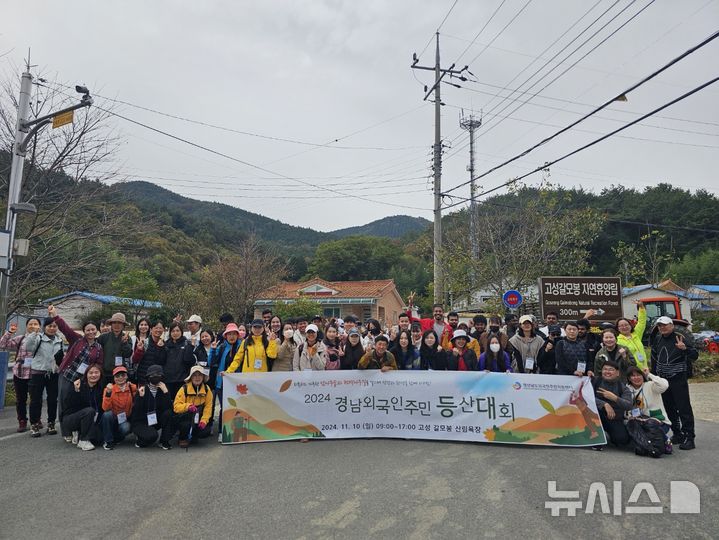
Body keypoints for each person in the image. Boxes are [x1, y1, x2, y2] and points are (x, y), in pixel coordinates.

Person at [651, 316, 698, 450]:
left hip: (678, 378)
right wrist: (654, 377)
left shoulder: (680, 337)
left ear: (671, 325)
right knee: (669, 408)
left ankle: (690, 437)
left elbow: (695, 355)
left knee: (684, 409)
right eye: (660, 326)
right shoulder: (658, 338)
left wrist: (684, 349)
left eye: (665, 325)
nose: (662, 328)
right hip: (663, 380)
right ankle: (678, 433)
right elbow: (654, 357)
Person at [53, 307, 103, 423]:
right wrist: (55, 316)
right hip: (67, 375)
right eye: (88, 330)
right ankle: (65, 429)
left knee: (77, 403)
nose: (91, 332)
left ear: (97, 331)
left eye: (93, 329)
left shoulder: (99, 348)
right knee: (64, 401)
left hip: (82, 379)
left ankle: (76, 426)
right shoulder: (77, 339)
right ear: (84, 331)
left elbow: (99, 364)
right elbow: (65, 328)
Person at [0, 317, 42, 432]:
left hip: (36, 373)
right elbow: (3, 345)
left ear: (39, 326)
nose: (33, 326)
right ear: (27, 326)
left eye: (35, 324)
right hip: (20, 372)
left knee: (36, 399)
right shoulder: (20, 338)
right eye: (30, 324)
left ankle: (36, 419)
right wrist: (10, 332)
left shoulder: (42, 339)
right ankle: (22, 420)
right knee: (21, 399)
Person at [25, 316, 64, 437]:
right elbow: (29, 347)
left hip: (53, 374)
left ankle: (51, 424)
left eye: (54, 326)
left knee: (53, 400)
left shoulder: (59, 340)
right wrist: (34, 333)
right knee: (36, 400)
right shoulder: (38, 338)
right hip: (38, 373)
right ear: (44, 327)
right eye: (49, 326)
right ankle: (34, 425)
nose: (52, 328)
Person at [626, 366, 672, 454]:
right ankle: (654, 446)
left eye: (639, 375)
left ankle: (664, 441)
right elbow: (625, 407)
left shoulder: (651, 385)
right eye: (633, 376)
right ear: (629, 378)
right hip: (640, 421)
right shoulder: (627, 389)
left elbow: (664, 385)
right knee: (632, 426)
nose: (636, 378)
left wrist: (649, 374)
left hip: (659, 423)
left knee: (649, 428)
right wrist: (630, 416)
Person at [60, 364, 104, 451]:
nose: (93, 375)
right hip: (71, 418)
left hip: (90, 419)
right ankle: (83, 440)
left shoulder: (100, 387)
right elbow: (68, 404)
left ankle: (80, 433)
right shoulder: (78, 385)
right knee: (89, 411)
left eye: (96, 372)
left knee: (99, 439)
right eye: (90, 373)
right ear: (86, 374)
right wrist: (76, 391)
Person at [130, 364, 174, 449]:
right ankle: (140, 439)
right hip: (141, 422)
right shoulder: (142, 389)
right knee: (151, 437)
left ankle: (164, 441)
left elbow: (169, 408)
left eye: (158, 375)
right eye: (152, 375)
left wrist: (166, 393)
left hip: (155, 421)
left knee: (168, 414)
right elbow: (136, 411)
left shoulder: (164, 388)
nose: (155, 377)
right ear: (148, 377)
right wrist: (141, 397)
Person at [172, 365, 214, 448]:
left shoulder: (207, 389)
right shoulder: (184, 389)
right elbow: (176, 407)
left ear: (203, 377)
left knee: (206, 431)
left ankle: (194, 436)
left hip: (199, 417)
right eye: (194, 375)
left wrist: (204, 421)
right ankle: (182, 438)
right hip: (185, 417)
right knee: (185, 424)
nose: (197, 377)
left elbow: (208, 408)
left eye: (200, 375)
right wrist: (188, 406)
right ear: (191, 377)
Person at [593, 360, 633, 447]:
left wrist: (615, 398)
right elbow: (585, 396)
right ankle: (597, 436)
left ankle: (608, 434)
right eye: (605, 369)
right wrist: (604, 404)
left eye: (611, 369)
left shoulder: (622, 387)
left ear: (617, 373)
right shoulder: (595, 381)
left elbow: (629, 405)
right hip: (596, 416)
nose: (607, 372)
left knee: (622, 439)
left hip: (614, 418)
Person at [100, 365, 137, 450]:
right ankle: (108, 441)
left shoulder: (132, 388)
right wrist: (108, 393)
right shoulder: (108, 389)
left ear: (127, 376)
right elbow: (105, 408)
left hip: (124, 419)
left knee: (126, 427)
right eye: (117, 376)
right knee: (107, 414)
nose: (120, 378)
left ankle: (118, 438)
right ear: (114, 378)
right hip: (113, 417)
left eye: (123, 375)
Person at [97, 312, 132, 385]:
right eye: (114, 323)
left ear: (123, 325)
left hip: (119, 374)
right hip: (104, 372)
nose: (116, 325)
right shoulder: (103, 337)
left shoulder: (127, 338)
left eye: (119, 323)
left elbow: (128, 354)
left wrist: (124, 343)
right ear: (111, 324)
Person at [164, 322, 195, 399]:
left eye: (177, 331)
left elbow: (188, 360)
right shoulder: (166, 345)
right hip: (168, 380)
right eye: (173, 331)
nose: (175, 333)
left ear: (182, 332)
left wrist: (191, 346)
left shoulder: (187, 343)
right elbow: (161, 360)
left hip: (181, 380)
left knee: (180, 404)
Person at [132, 319, 167, 385]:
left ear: (163, 330)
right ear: (151, 329)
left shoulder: (164, 344)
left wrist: (160, 348)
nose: (158, 330)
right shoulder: (145, 342)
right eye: (156, 328)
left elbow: (161, 362)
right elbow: (135, 360)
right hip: (143, 378)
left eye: (160, 328)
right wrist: (139, 350)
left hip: (157, 379)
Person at [616, 302, 648, 370]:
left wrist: (641, 307)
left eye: (626, 325)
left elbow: (642, 321)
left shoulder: (636, 334)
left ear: (630, 325)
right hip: (631, 371)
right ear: (618, 328)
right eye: (621, 326)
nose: (624, 327)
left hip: (644, 368)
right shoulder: (618, 341)